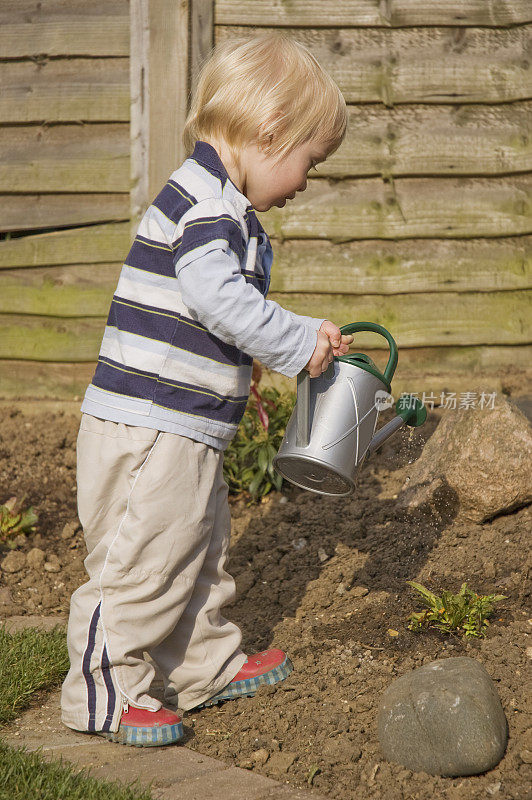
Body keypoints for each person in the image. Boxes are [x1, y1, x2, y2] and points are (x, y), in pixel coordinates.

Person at [61, 32, 351, 747]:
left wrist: (241, 359)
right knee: (142, 565)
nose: (306, 182)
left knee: (191, 552)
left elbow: (204, 311)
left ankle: (205, 666)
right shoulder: (210, 205)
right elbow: (212, 292)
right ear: (270, 133)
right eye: (308, 163)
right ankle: (100, 691)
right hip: (152, 430)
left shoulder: (217, 202)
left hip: (180, 427)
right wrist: (293, 341)